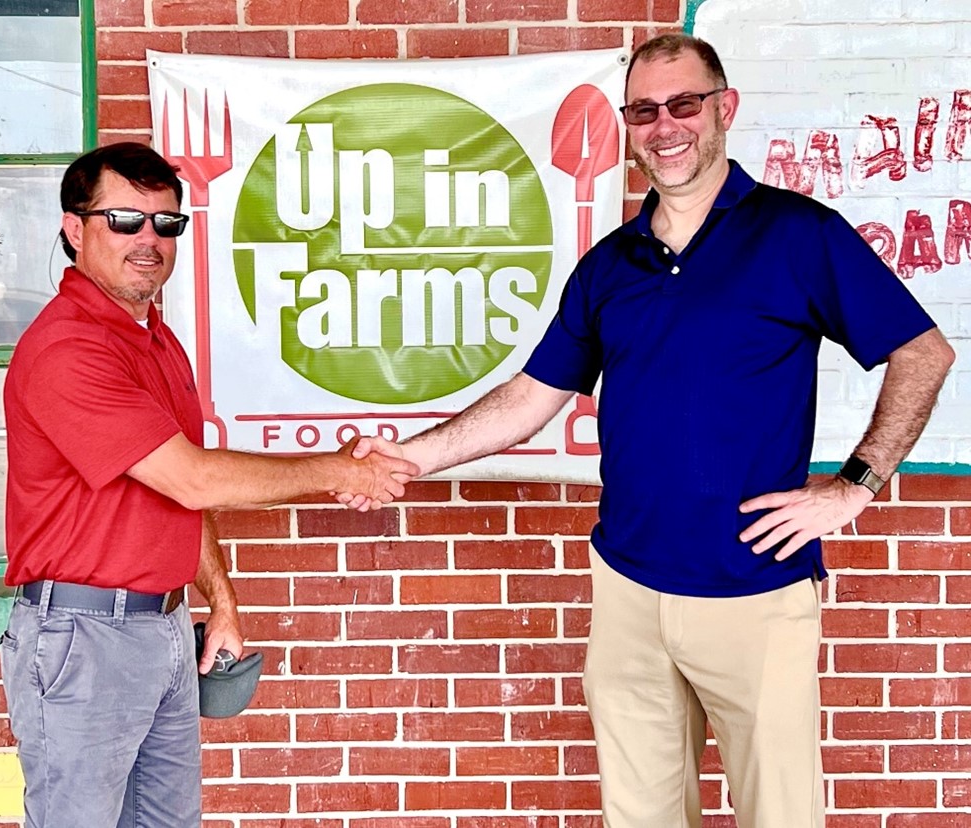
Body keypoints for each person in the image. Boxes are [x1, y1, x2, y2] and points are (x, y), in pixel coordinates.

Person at [340, 34, 955, 828]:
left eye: (684, 104)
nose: (664, 127)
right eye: (643, 111)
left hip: (754, 594)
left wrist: (854, 486)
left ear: (723, 109)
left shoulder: (798, 234)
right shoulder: (609, 265)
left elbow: (923, 352)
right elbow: (532, 397)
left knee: (781, 816)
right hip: (628, 588)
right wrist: (410, 457)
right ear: (627, 125)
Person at [0, 143, 418, 828]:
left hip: (162, 630)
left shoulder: (156, 340)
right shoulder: (67, 346)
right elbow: (191, 479)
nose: (149, 241)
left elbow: (177, 492)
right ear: (75, 229)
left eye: (167, 224)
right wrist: (344, 471)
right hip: (82, 642)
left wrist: (219, 602)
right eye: (125, 220)